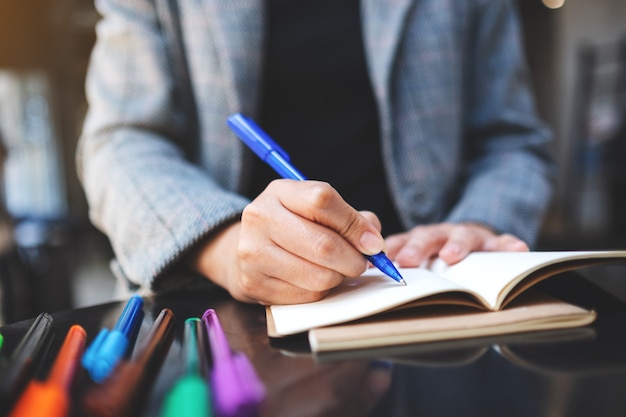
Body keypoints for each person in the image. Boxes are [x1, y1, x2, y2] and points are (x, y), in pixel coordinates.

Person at [77, 0, 555, 305]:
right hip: (224, 307)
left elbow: (512, 142)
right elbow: (120, 141)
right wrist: (223, 246)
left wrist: (478, 222)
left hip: (434, 290)